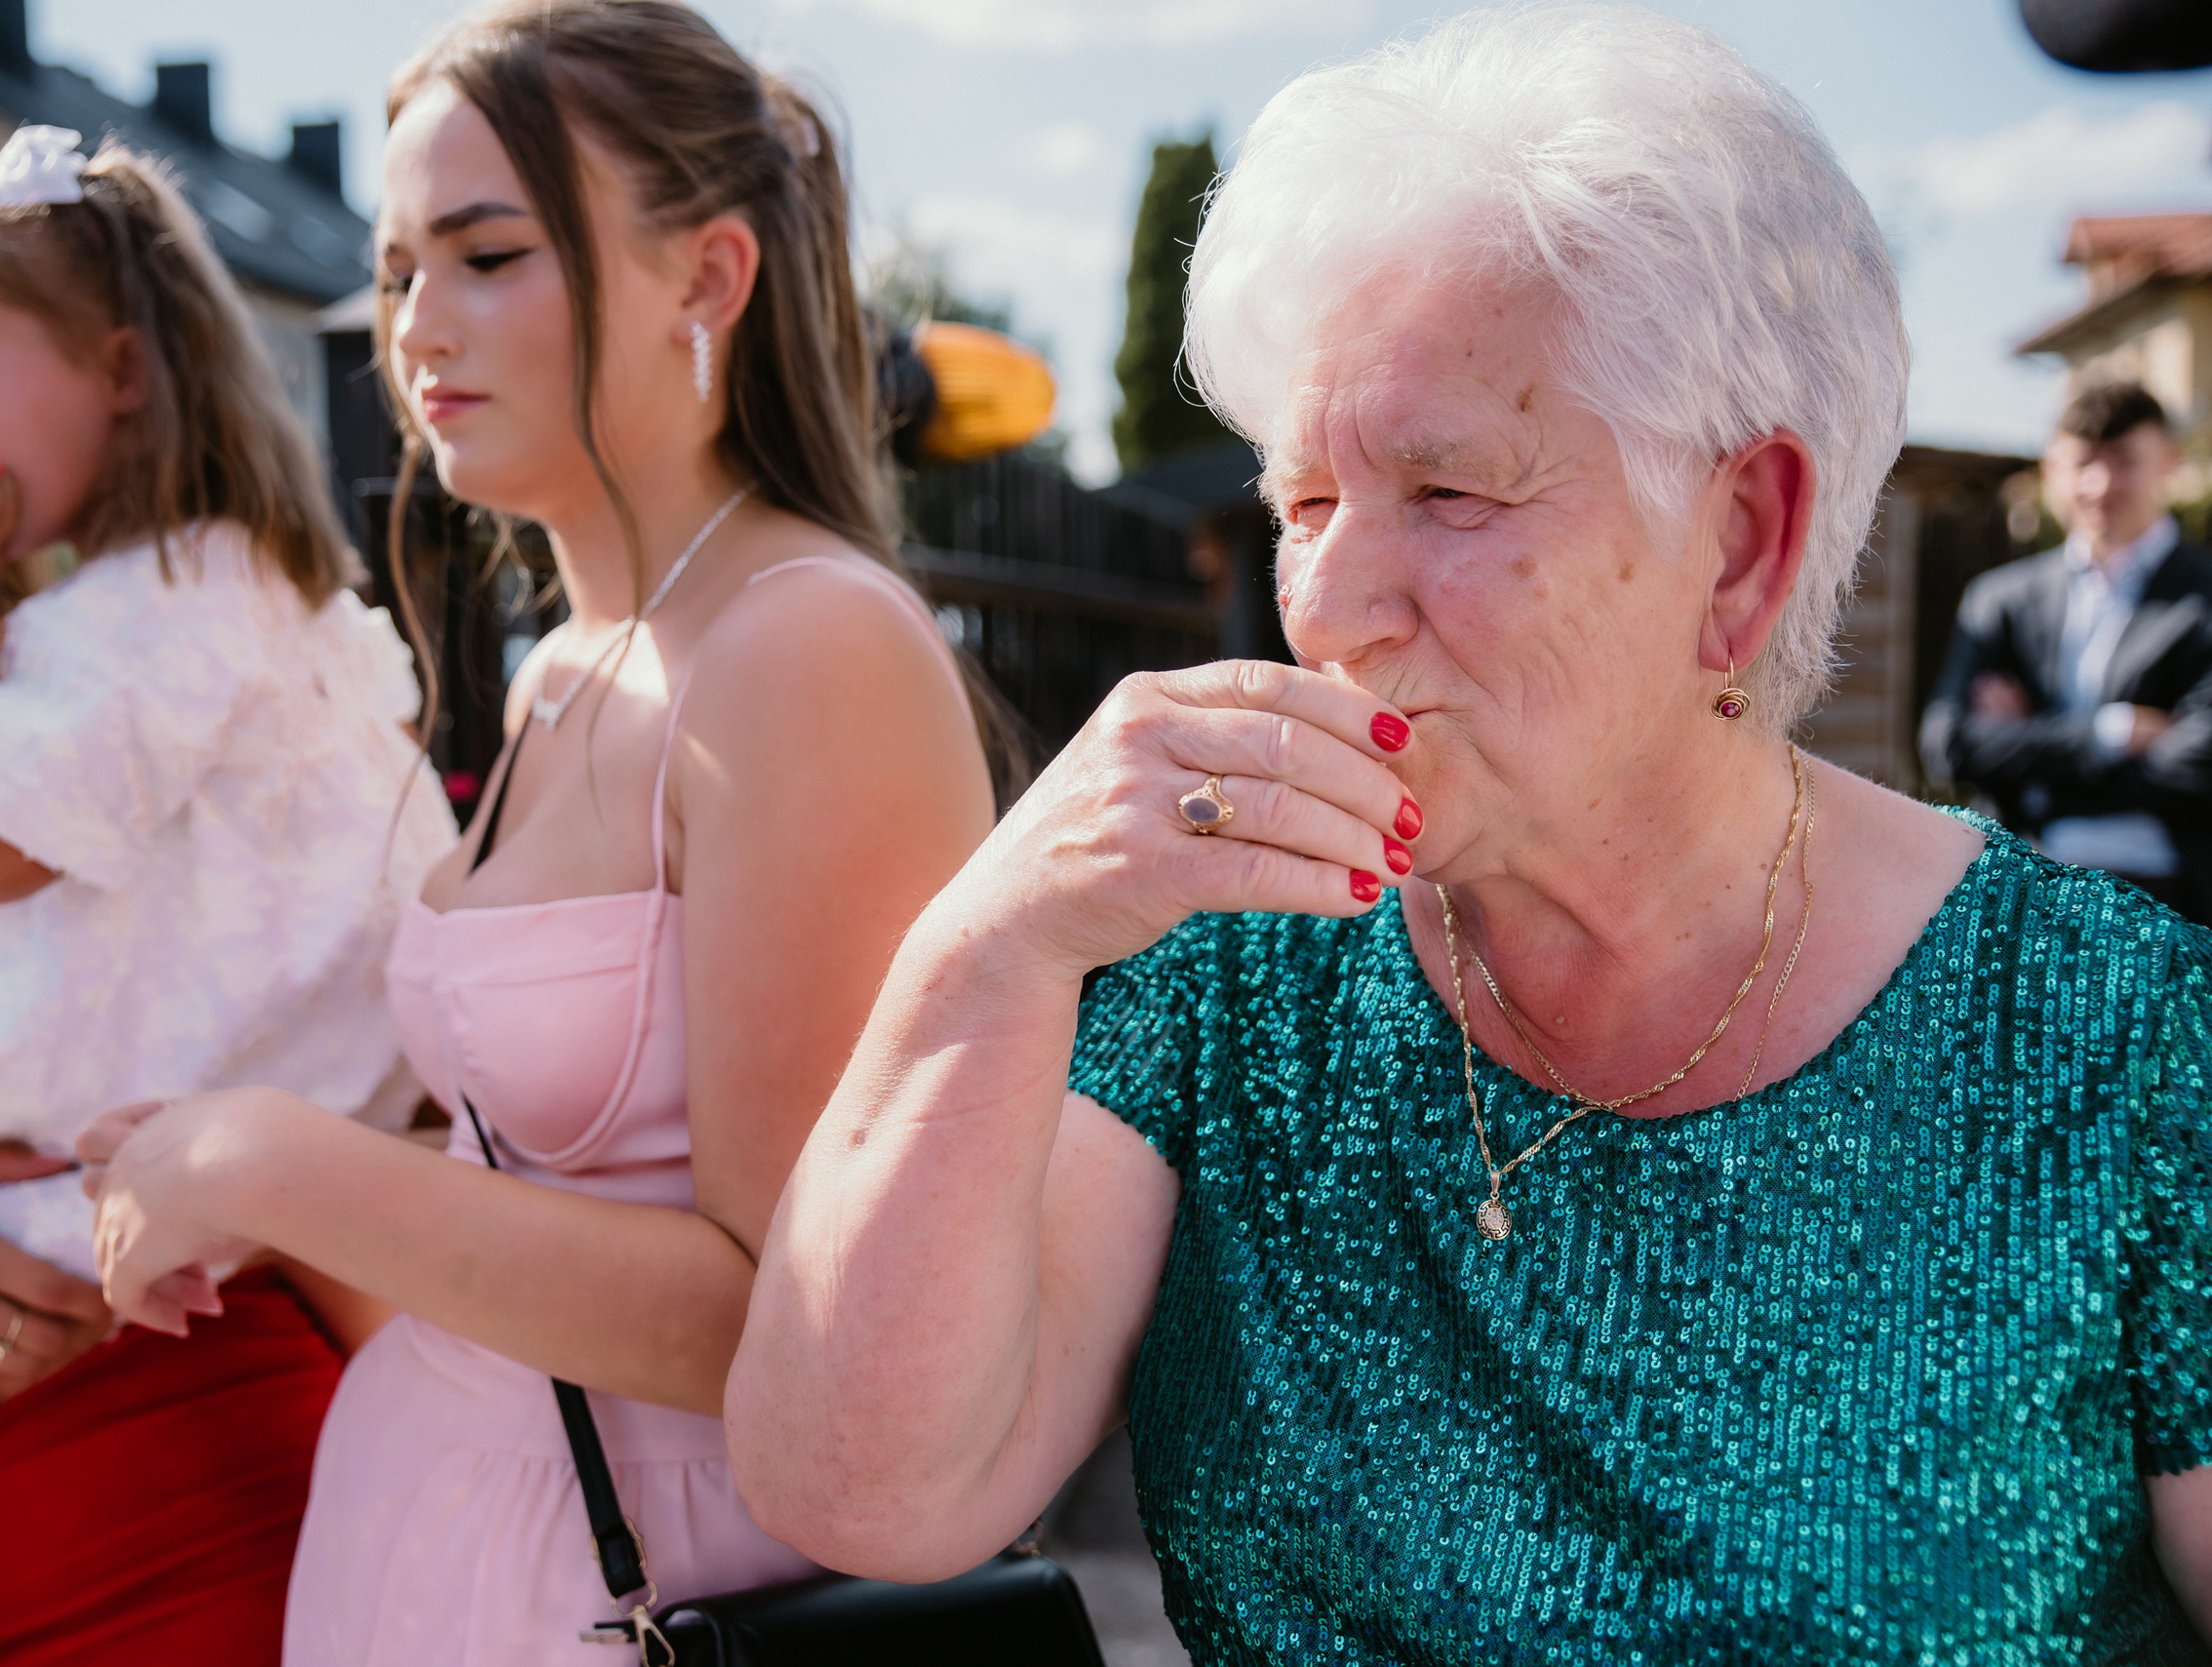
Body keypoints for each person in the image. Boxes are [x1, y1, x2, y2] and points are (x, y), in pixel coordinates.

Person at [726, 10, 2212, 1663]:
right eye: (1304, 502)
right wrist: (989, 940)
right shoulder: (1229, 957)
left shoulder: (2115, 1040)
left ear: (1739, 542)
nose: (1332, 607)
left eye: (1448, 494)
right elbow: (858, 1489)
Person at [76, 4, 997, 1662]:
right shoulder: (566, 664)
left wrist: (274, 1158)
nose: (417, 322)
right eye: (400, 264)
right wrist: (231, 1158)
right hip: (448, 1524)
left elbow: (783, 1313)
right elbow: (560, 1174)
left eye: (488, 252)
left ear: (708, 280)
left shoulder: (805, 645)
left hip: (651, 1583)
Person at [0, 127, 454, 1666]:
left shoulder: (121, 621)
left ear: (122, 370)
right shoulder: (250, 579)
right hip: (273, 1081)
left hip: (117, 1138)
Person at [1921, 380, 2212, 924]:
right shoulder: (2001, 599)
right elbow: (1948, 743)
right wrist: (2111, 734)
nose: (2099, 484)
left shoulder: (2203, 598)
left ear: (2169, 462)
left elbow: (2201, 763)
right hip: (2023, 890)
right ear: (2052, 467)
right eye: (2082, 463)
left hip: (2173, 901)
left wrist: (2030, 757)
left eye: (2124, 462)